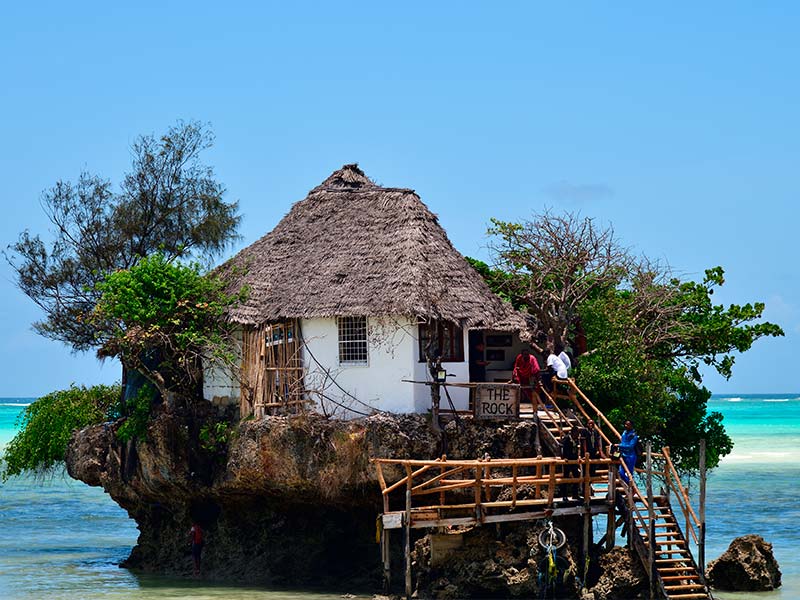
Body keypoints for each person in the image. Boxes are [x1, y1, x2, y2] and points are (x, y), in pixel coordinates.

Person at [560, 426, 582, 500]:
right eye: (577, 433)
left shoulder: (576, 440)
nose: (577, 434)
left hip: (574, 460)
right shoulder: (566, 439)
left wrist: (578, 456)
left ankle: (575, 494)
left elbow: (578, 449)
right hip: (567, 460)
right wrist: (563, 457)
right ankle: (564, 495)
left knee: (576, 475)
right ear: (573, 432)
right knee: (566, 477)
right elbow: (561, 448)